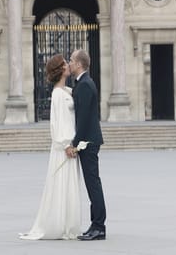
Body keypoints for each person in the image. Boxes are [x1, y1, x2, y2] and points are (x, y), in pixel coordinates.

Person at [19, 54, 81, 240]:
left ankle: (66, 223)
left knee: (67, 185)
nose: (68, 65)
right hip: (64, 147)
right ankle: (60, 224)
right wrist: (66, 144)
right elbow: (57, 123)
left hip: (68, 145)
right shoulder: (57, 94)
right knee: (62, 184)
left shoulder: (66, 91)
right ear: (60, 69)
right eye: (65, 63)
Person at [66, 49, 107, 241]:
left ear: (80, 64)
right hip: (90, 140)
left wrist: (75, 144)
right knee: (93, 183)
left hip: (88, 141)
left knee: (93, 184)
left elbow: (82, 120)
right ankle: (96, 225)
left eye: (72, 60)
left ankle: (98, 226)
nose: (70, 63)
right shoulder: (84, 83)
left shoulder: (84, 85)